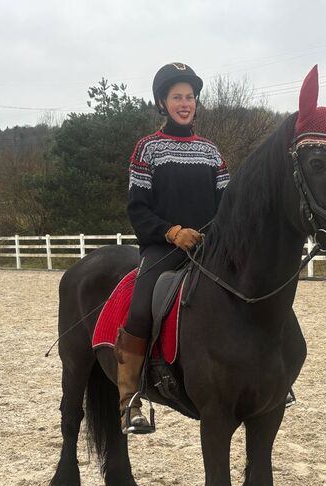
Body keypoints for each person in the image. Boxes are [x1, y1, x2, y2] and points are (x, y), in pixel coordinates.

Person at [115, 62, 229, 435]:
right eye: (177, 97)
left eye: (190, 97)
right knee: (141, 306)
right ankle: (129, 400)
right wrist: (172, 232)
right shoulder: (147, 148)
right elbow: (138, 208)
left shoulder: (212, 152)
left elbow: (226, 205)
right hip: (164, 248)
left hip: (208, 248)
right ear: (162, 102)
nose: (185, 103)